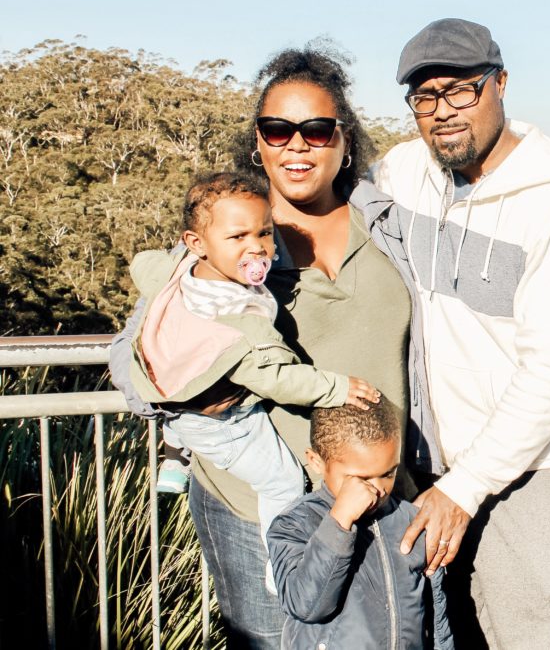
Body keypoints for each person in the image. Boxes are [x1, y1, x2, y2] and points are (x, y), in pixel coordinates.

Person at [110, 43, 411, 648]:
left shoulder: (388, 226)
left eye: (316, 129)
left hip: (379, 495)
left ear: (344, 140)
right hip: (257, 506)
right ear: (258, 141)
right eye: (278, 129)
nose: (296, 144)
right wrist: (187, 400)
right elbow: (131, 352)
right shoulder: (228, 241)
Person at [351, 18, 550, 649]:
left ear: (500, 83)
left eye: (461, 90)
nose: (443, 111)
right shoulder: (403, 172)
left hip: (532, 476)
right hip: (432, 464)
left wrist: (465, 489)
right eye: (425, 97)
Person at [126, 171, 381, 589]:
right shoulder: (242, 319)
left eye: (265, 233)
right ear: (196, 242)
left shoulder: (183, 270)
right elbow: (276, 379)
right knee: (283, 480)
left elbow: (144, 265)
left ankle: (175, 453)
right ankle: (280, 563)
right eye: (238, 237)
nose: (256, 247)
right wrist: (337, 387)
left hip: (179, 394)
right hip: (223, 423)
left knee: (187, 402)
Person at [268, 398, 453, 650]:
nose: (378, 489)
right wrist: (339, 522)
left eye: (388, 473)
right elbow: (306, 606)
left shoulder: (410, 520)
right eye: (361, 477)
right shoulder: (295, 524)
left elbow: (436, 610)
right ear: (316, 462)